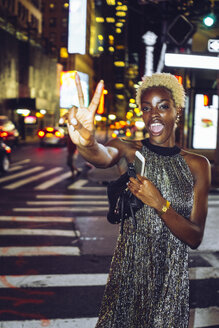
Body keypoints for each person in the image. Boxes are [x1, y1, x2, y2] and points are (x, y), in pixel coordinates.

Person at [67, 72, 211, 328]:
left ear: (177, 110)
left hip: (170, 284)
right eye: (146, 108)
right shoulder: (129, 150)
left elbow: (195, 236)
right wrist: (87, 141)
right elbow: (101, 155)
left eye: (162, 106)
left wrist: (160, 203)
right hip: (129, 278)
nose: (153, 115)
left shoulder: (198, 165)